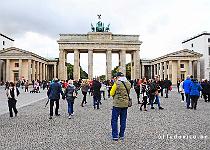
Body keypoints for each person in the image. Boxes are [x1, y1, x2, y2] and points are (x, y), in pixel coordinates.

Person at [110, 72, 131, 141]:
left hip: (117, 104)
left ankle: (115, 135)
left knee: (114, 120)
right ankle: (121, 135)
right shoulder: (128, 83)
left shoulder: (117, 83)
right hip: (125, 104)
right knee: (123, 120)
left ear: (118, 77)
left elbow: (111, 93)